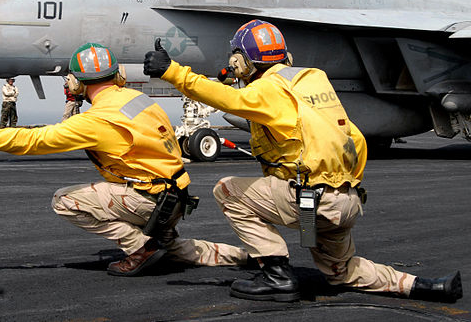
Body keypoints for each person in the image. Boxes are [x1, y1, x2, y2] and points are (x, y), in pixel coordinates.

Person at [143, 19, 462, 302]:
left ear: (242, 60)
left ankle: (277, 276)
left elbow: (231, 100)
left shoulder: (269, 89)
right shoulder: (313, 80)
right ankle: (425, 286)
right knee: (342, 272)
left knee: (227, 191)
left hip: (311, 202)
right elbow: (357, 139)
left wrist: (173, 71)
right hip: (344, 201)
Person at [0, 42, 248, 277]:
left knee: (63, 200)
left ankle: (139, 247)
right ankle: (250, 256)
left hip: (147, 202)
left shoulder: (96, 120)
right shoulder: (138, 98)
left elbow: (32, 141)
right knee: (176, 251)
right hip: (175, 201)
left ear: (78, 82)